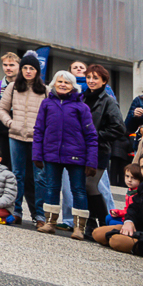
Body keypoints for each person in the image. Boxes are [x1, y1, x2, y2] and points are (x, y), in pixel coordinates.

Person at [33, 69, 99, 236]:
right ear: (54, 84)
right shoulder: (46, 104)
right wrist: (37, 154)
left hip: (77, 156)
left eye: (67, 82)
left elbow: (91, 135)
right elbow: (39, 130)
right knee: (51, 188)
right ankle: (50, 223)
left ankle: (79, 228)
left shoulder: (82, 107)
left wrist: (91, 161)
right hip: (51, 154)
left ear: (73, 86)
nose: (62, 85)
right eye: (60, 81)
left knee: (78, 190)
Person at [90, 151, 143, 260]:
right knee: (98, 233)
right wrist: (129, 221)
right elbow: (133, 208)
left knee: (117, 241)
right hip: (140, 229)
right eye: (142, 167)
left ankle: (141, 247)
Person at [0, 52, 48, 222]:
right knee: (17, 175)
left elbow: (52, 115)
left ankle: (39, 214)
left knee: (39, 177)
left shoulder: (46, 90)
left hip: (37, 140)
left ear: (37, 71)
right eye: (25, 68)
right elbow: (1, 108)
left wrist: (43, 131)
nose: (28, 71)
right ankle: (16, 211)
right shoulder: (13, 87)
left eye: (31, 68)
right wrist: (10, 123)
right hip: (16, 136)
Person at [84, 64, 128, 212]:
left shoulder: (108, 101)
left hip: (99, 150)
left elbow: (119, 128)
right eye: (88, 77)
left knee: (90, 185)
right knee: (81, 187)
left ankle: (103, 220)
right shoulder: (82, 98)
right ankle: (90, 221)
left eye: (95, 78)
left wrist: (96, 136)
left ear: (104, 81)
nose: (91, 81)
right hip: (80, 149)